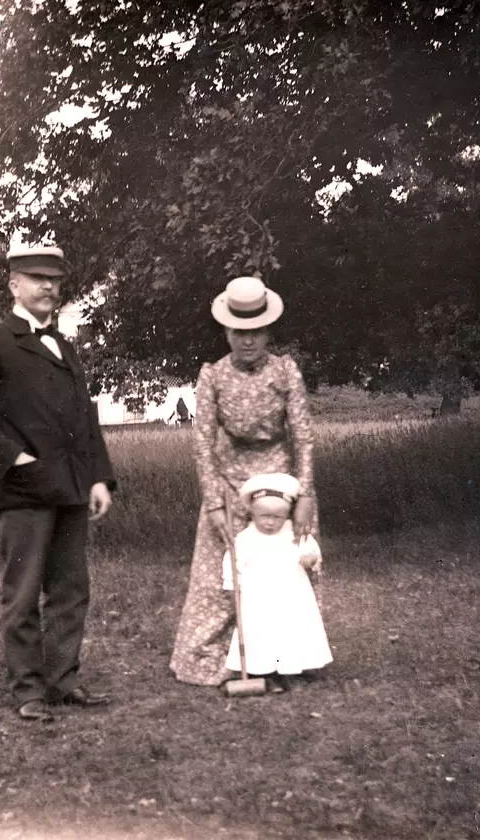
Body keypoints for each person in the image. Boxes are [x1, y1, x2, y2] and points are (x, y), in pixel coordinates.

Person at [0, 244, 117, 723]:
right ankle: (28, 691)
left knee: (70, 590)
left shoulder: (65, 347)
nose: (49, 287)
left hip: (72, 491)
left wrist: (99, 478)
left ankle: (62, 682)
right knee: (22, 595)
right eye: (37, 278)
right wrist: (15, 459)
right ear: (13, 285)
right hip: (23, 495)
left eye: (55, 280)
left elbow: (86, 420)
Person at [170, 275, 318, 687]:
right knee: (224, 572)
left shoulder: (286, 372)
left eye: (255, 332)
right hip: (231, 478)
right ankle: (227, 659)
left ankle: (286, 659)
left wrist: (303, 493)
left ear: (267, 332)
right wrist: (215, 502)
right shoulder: (212, 376)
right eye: (238, 332)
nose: (247, 341)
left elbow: (303, 434)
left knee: (284, 570)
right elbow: (202, 444)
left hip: (281, 481)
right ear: (227, 332)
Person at [221, 473, 332, 693]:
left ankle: (292, 671)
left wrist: (310, 559)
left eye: (277, 517)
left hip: (291, 595)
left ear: (286, 515)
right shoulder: (245, 539)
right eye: (264, 516)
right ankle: (262, 673)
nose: (270, 522)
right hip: (257, 598)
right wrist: (233, 585)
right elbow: (232, 563)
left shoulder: (294, 533)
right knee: (259, 634)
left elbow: (311, 551)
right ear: (252, 513)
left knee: (291, 631)